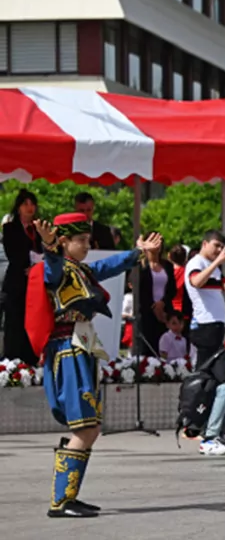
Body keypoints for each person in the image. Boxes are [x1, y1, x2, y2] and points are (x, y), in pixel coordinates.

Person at [26, 213, 161, 518]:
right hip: (68, 350)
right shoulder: (58, 269)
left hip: (82, 347)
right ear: (64, 241)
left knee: (91, 426)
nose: (88, 245)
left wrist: (138, 252)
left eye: (88, 239)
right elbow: (53, 269)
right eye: (82, 240)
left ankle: (68, 497)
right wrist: (49, 248)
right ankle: (61, 501)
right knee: (86, 427)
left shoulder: (81, 270)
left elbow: (109, 266)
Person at [185, 230, 225, 455]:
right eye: (216, 246)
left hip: (216, 329)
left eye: (223, 248)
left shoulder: (213, 267)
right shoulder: (197, 262)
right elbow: (196, 282)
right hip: (204, 329)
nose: (219, 251)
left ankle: (213, 432)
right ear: (204, 243)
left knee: (215, 383)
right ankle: (208, 435)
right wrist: (217, 263)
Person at [2, 189, 41, 364]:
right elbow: (13, 254)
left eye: (32, 204)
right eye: (25, 204)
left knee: (33, 324)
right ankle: (12, 362)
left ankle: (32, 359)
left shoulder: (39, 228)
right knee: (14, 324)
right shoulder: (10, 228)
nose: (29, 207)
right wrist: (28, 266)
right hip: (17, 282)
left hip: (35, 282)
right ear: (18, 208)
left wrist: (37, 267)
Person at [135, 241, 176, 357]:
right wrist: (153, 306)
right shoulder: (140, 266)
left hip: (164, 311)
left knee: (163, 345)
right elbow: (139, 289)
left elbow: (172, 289)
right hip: (146, 311)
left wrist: (162, 303)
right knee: (146, 346)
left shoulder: (167, 265)